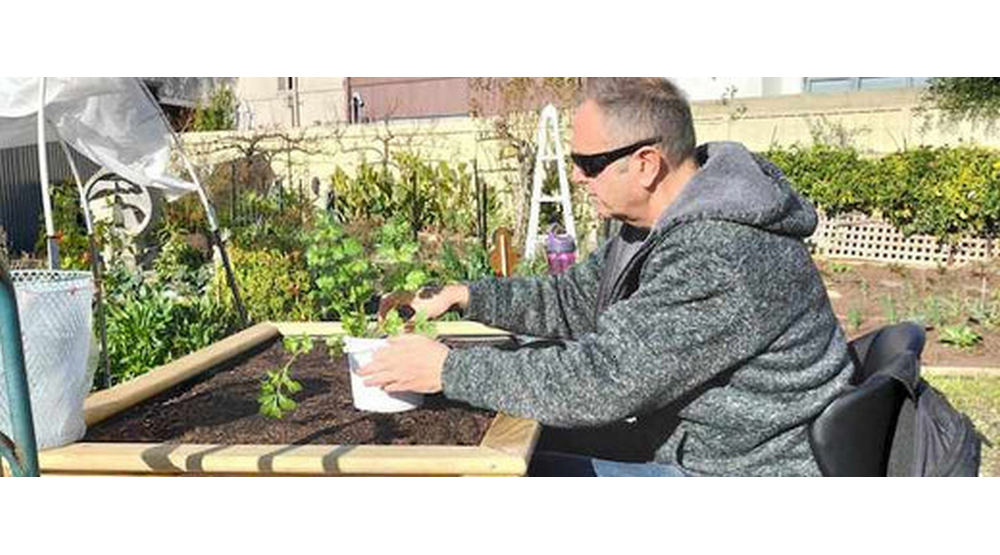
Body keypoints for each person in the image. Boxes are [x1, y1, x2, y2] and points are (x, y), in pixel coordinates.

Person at [359, 78, 854, 476]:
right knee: (526, 435)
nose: (576, 177)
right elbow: (575, 299)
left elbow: (601, 382)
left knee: (495, 478)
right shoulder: (652, 225)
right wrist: (466, 295)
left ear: (645, 164)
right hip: (684, 436)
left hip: (738, 469)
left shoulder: (721, 254)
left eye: (588, 164)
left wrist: (448, 370)